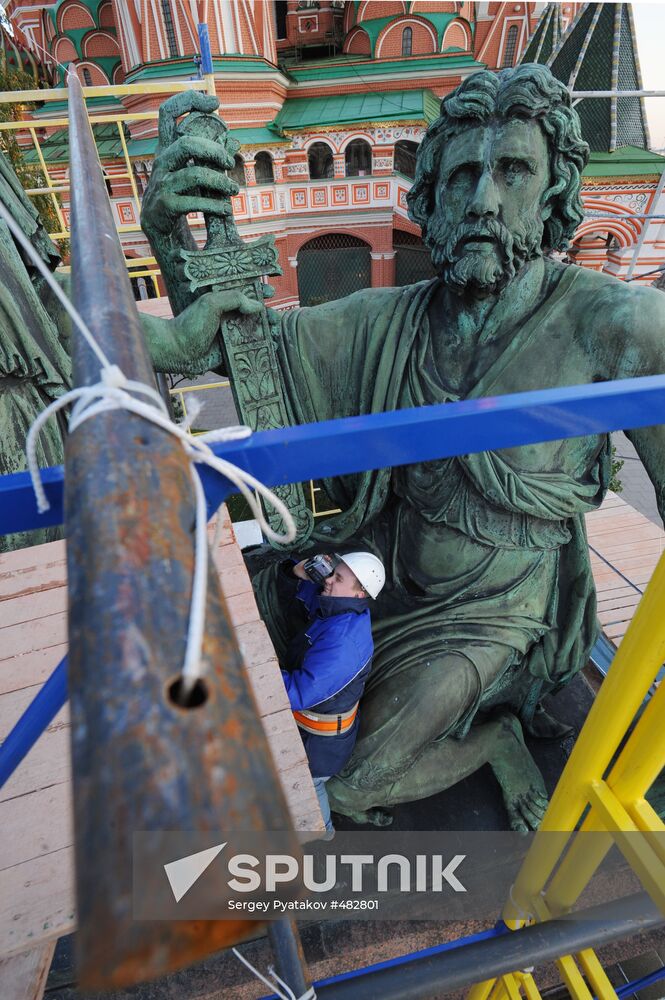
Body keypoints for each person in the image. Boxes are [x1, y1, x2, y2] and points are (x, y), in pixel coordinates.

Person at [141, 64, 665, 831]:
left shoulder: (620, 326)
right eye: (462, 175)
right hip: (376, 561)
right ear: (432, 198)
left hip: (496, 608)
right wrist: (168, 235)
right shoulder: (391, 317)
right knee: (212, 637)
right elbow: (241, 347)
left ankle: (496, 740)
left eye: (514, 170)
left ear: (554, 191)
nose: (484, 198)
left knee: (349, 780)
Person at [275, 551, 385, 831]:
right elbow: (303, 597)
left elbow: (298, 693)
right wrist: (295, 572)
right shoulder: (337, 606)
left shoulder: (344, 643)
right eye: (332, 571)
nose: (328, 580)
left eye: (337, 578)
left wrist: (251, 674)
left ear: (360, 594)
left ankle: (323, 831)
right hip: (311, 728)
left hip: (318, 746)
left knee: (308, 785)